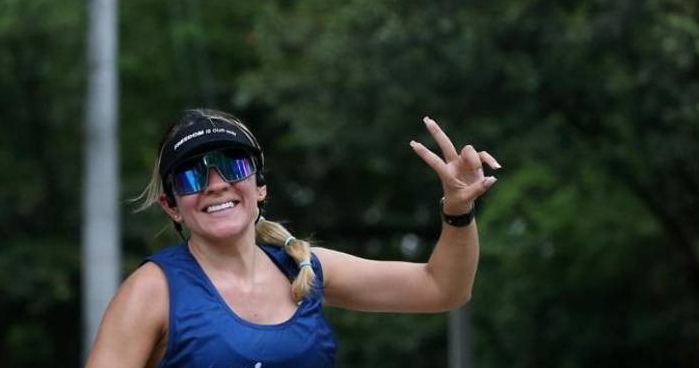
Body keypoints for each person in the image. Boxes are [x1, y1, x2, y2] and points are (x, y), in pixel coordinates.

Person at [85, 109, 500, 368]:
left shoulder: (304, 267)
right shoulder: (154, 291)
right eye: (193, 175)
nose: (215, 184)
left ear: (260, 186)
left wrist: (458, 209)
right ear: (171, 205)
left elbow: (443, 287)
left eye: (232, 166)